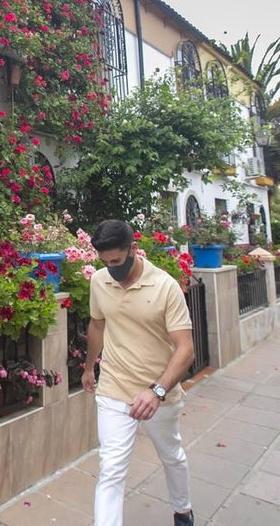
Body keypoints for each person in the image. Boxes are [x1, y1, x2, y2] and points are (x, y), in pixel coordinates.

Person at [83, 219, 195, 526]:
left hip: (159, 393)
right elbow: (97, 324)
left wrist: (157, 391)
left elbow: (185, 349)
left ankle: (183, 512)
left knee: (172, 455)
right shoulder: (99, 281)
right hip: (114, 388)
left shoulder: (165, 287)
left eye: (117, 261)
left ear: (133, 249)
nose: (111, 268)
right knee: (111, 469)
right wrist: (89, 366)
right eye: (105, 262)